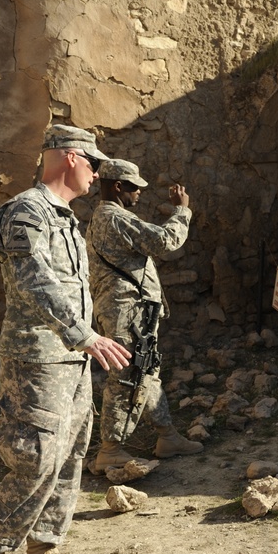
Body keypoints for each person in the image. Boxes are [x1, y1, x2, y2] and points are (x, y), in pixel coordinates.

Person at [0, 124, 131, 554]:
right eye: (93, 163)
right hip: (36, 359)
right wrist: (86, 334)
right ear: (69, 158)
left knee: (70, 458)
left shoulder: (63, 217)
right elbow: (33, 279)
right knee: (34, 461)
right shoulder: (25, 211)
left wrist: (83, 342)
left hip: (71, 360)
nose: (98, 173)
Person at [86, 158, 202, 474]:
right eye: (135, 187)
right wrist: (181, 210)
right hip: (128, 313)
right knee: (126, 377)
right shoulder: (114, 218)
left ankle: (168, 437)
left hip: (130, 311)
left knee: (146, 372)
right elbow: (165, 241)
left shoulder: (103, 217)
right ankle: (110, 449)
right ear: (118, 186)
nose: (139, 193)